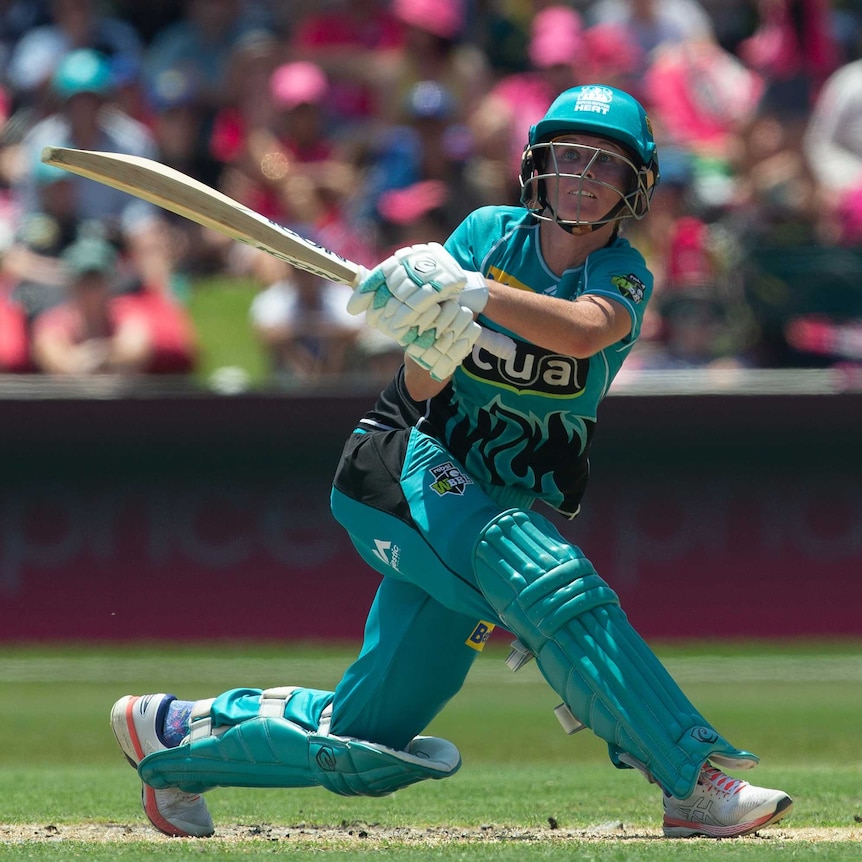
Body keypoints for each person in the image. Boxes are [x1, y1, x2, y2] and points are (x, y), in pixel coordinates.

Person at [110, 85, 793, 840]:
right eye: (569, 155)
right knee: (545, 579)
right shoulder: (485, 235)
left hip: (493, 496)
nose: (583, 175)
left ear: (635, 185)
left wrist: (475, 295)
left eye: (605, 163)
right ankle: (690, 784)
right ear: (539, 163)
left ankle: (174, 739)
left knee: (366, 743)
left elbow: (582, 333)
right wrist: (428, 333)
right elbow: (417, 387)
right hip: (404, 462)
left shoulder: (621, 274)